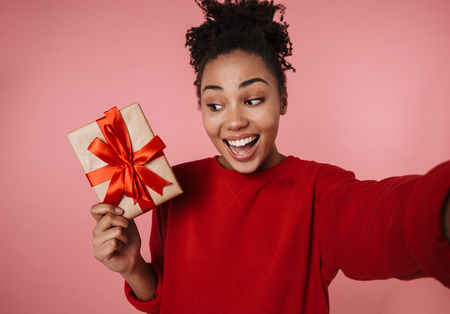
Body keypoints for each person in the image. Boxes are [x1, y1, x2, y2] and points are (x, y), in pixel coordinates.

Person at [90, 0, 450, 313]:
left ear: (283, 99)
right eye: (215, 104)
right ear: (201, 108)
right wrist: (133, 265)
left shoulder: (318, 190)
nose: (234, 121)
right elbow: (167, 300)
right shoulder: (173, 188)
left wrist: (439, 211)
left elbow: (377, 218)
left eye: (253, 100)